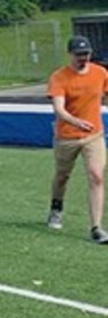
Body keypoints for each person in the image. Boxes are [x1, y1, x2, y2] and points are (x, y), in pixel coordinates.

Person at [46, 35, 108, 243]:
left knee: (97, 176)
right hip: (67, 136)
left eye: (86, 54)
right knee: (62, 175)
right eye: (79, 54)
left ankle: (96, 227)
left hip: (93, 135)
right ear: (70, 55)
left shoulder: (100, 73)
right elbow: (59, 109)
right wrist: (76, 122)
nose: (83, 58)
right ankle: (56, 206)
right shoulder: (59, 77)